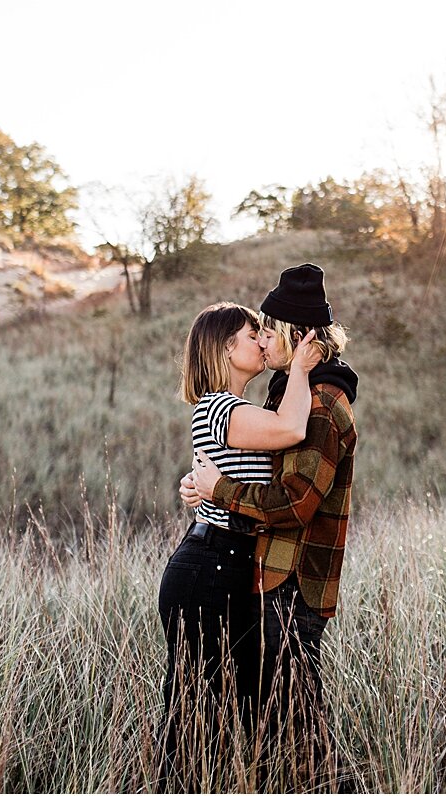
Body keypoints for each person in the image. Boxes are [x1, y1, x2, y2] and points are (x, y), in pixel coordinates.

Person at [187, 263, 358, 788]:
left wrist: (221, 492)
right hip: (270, 577)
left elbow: (296, 502)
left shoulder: (322, 405)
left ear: (294, 336)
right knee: (276, 722)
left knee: (299, 724)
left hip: (294, 583)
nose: (262, 339)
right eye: (254, 330)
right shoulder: (292, 392)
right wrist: (205, 486)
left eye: (267, 328)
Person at [156, 301, 320, 789]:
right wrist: (301, 368)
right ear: (228, 348)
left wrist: (196, 486)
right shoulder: (224, 407)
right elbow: (293, 428)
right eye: (254, 335)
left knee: (231, 702)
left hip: (222, 564)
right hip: (209, 569)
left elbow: (219, 476)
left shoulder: (228, 409)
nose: (262, 340)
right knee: (193, 711)